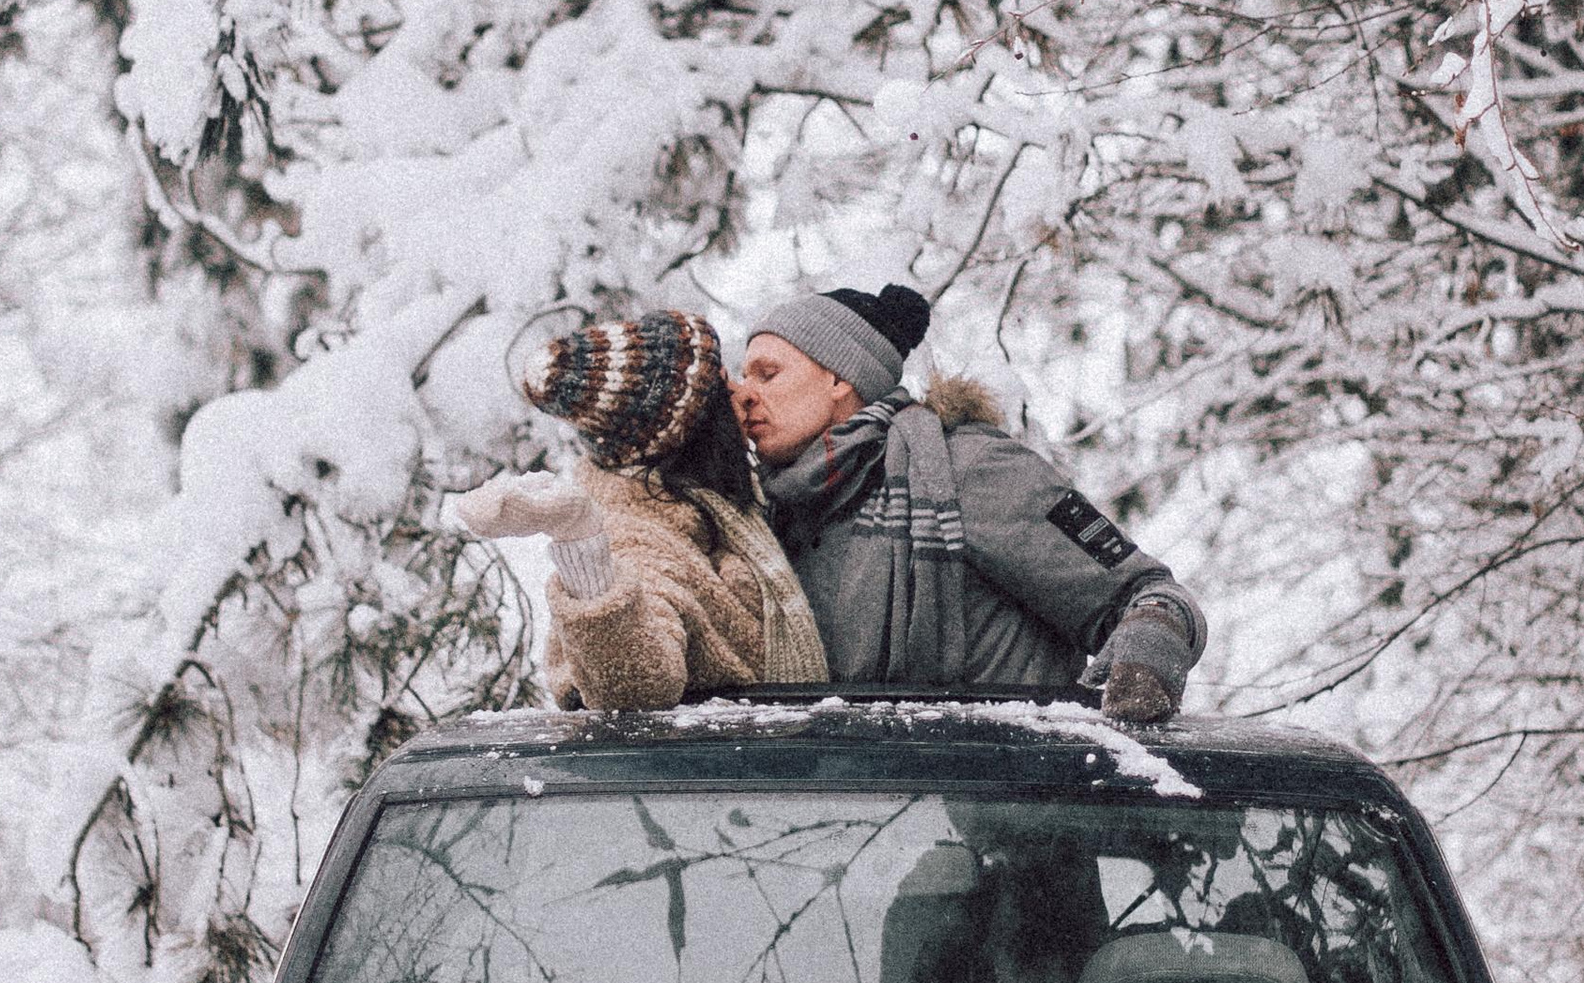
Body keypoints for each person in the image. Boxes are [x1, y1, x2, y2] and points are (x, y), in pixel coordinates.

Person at [733, 280, 1205, 722]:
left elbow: (1145, 595)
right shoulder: (766, 517)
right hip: (850, 799)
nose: (744, 394)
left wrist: (1151, 640)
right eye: (741, 376)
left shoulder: (965, 470)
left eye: (768, 374)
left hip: (991, 789)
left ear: (840, 378)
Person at [453, 312, 828, 710]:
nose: (742, 394)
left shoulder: (710, 511)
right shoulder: (637, 536)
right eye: (722, 386)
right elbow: (633, 687)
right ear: (692, 427)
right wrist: (583, 545)